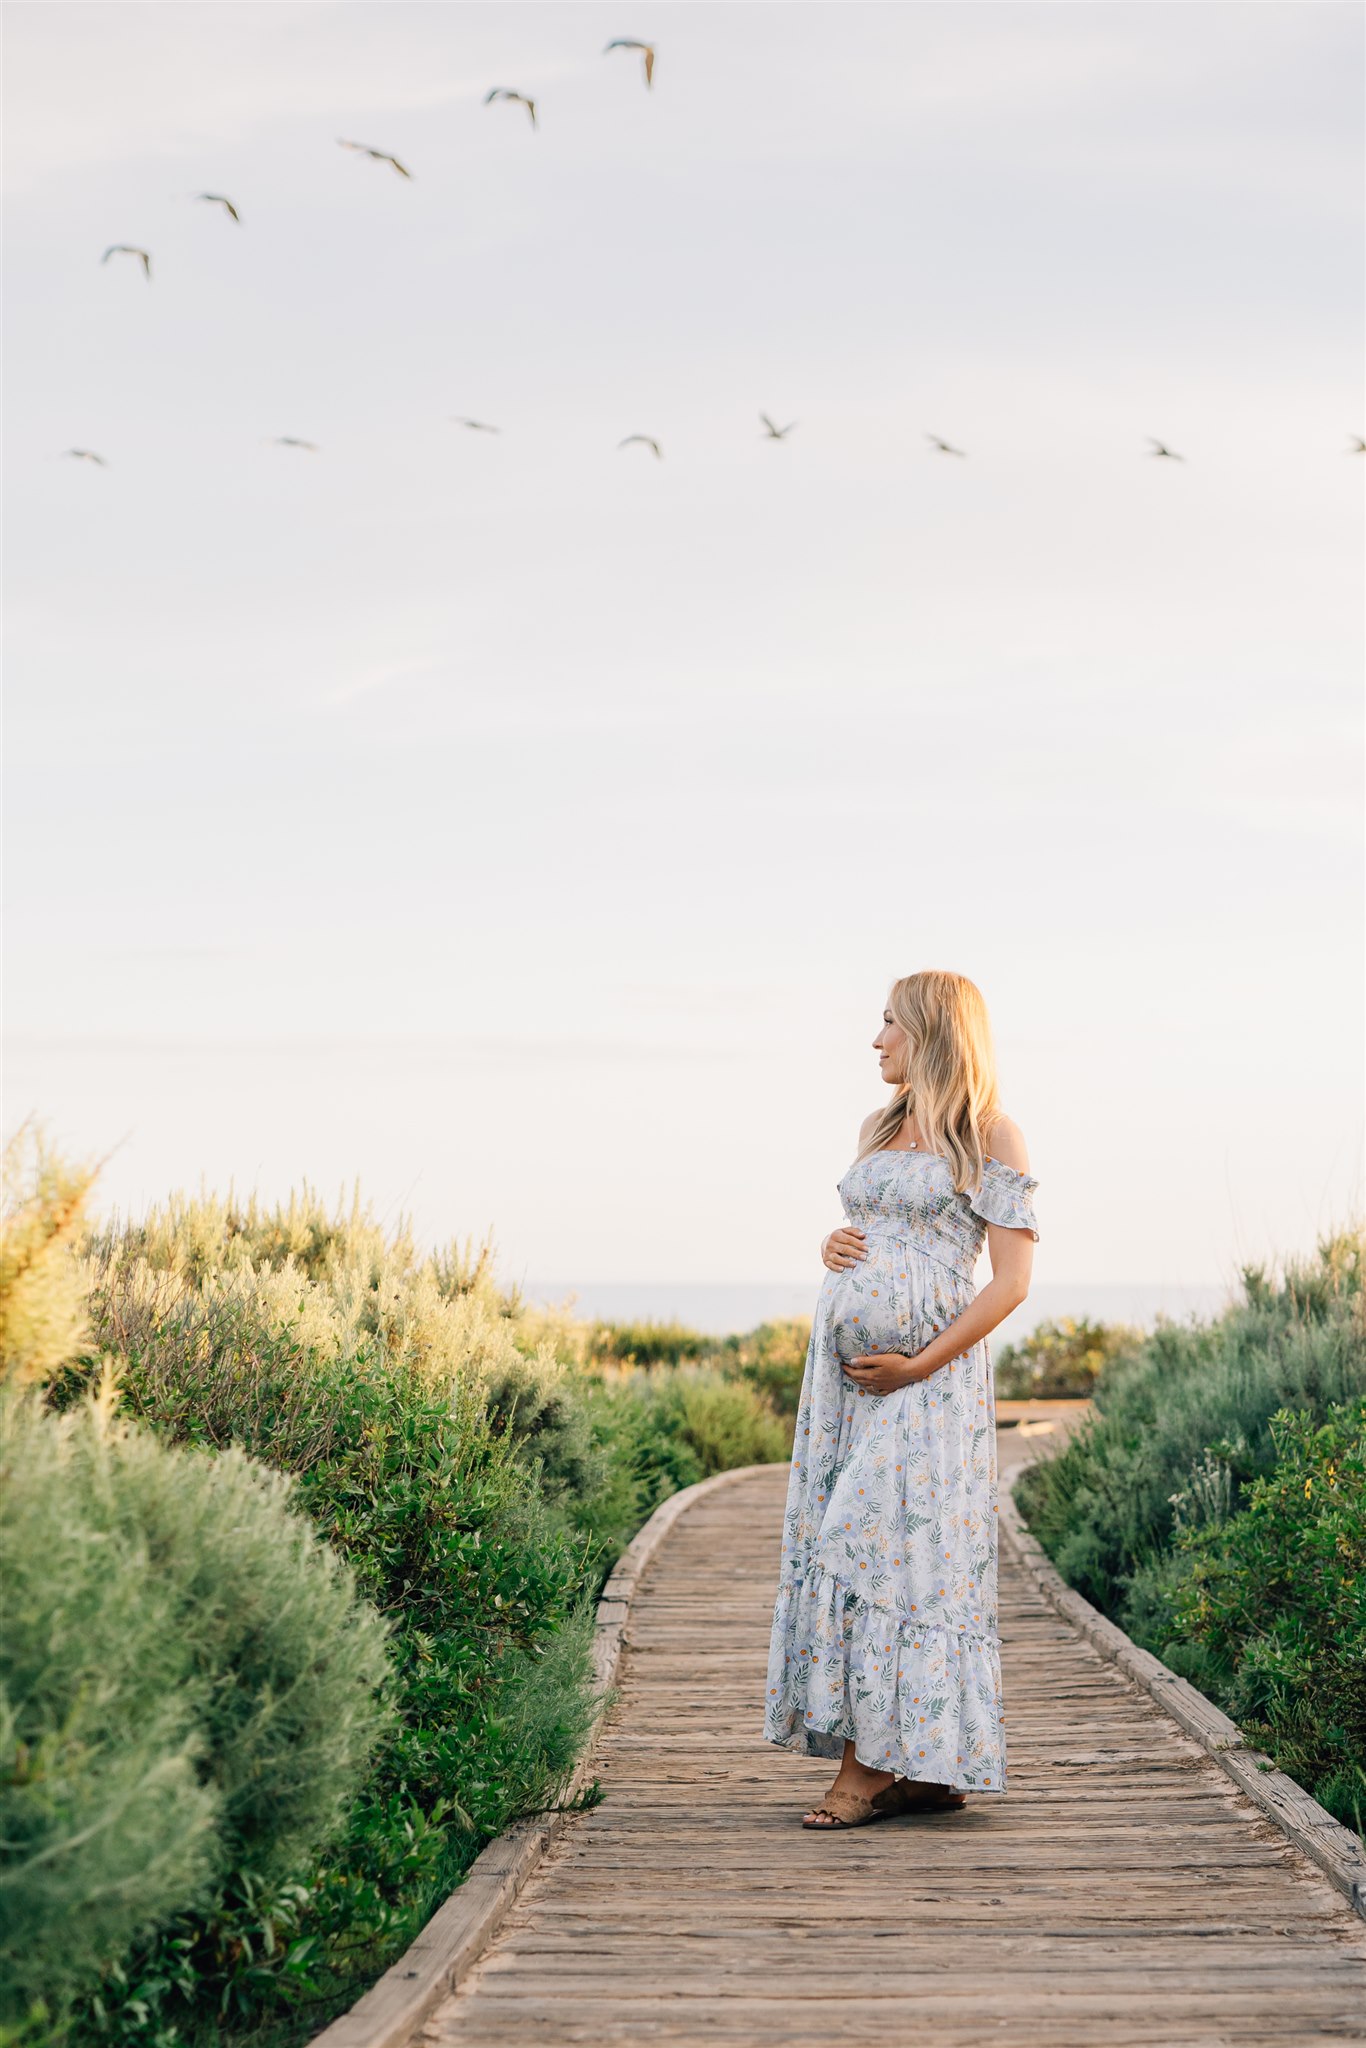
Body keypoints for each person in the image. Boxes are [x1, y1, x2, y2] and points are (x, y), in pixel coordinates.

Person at [763, 969, 1038, 1828]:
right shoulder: (877, 1126)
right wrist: (834, 1242)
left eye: (889, 1024)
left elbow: (1012, 1283)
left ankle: (869, 1768)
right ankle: (923, 1768)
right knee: (848, 1537)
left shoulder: (992, 1133)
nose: (876, 1040)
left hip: (931, 1386)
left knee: (883, 1551)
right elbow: (874, 1231)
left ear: (932, 1032)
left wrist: (919, 1367)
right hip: (846, 1392)